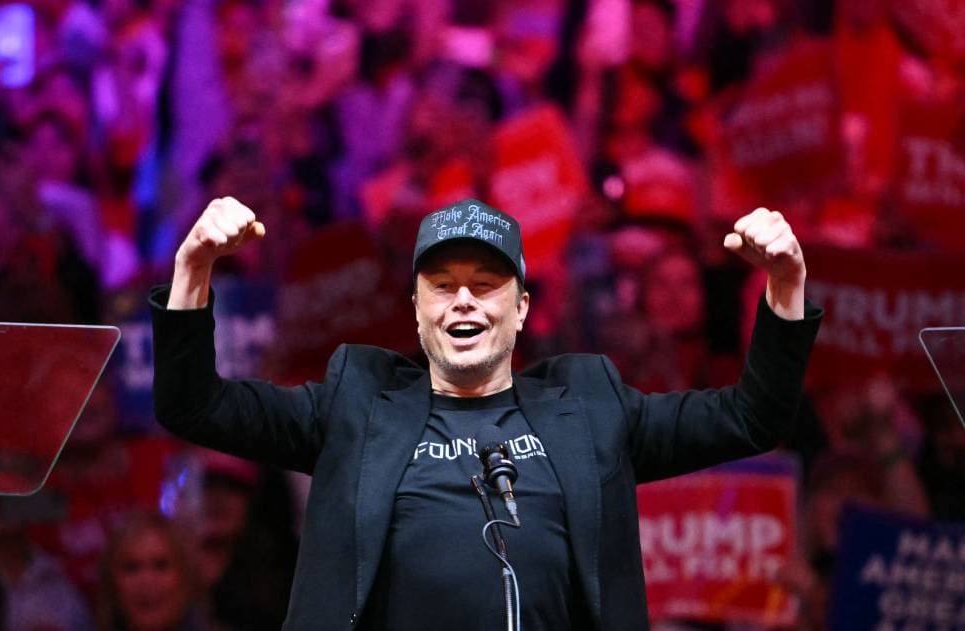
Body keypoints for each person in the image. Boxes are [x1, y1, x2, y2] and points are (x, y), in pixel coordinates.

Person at [150, 197, 821, 630]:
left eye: (487, 283)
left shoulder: (591, 404)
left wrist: (785, 286)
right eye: (441, 285)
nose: (463, 300)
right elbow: (195, 405)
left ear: (523, 306)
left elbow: (752, 417)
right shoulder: (355, 400)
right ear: (415, 311)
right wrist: (192, 271)